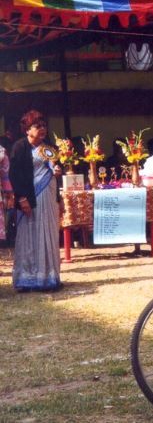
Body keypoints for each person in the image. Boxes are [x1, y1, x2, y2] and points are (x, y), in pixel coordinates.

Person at [9, 110, 62, 291]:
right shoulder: (19, 147)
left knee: (47, 232)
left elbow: (53, 166)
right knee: (30, 233)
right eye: (37, 126)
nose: (42, 129)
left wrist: (57, 173)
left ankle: (48, 277)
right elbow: (14, 175)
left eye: (44, 126)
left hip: (48, 197)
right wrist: (22, 198)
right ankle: (28, 278)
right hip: (30, 198)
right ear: (26, 129)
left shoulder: (48, 147)